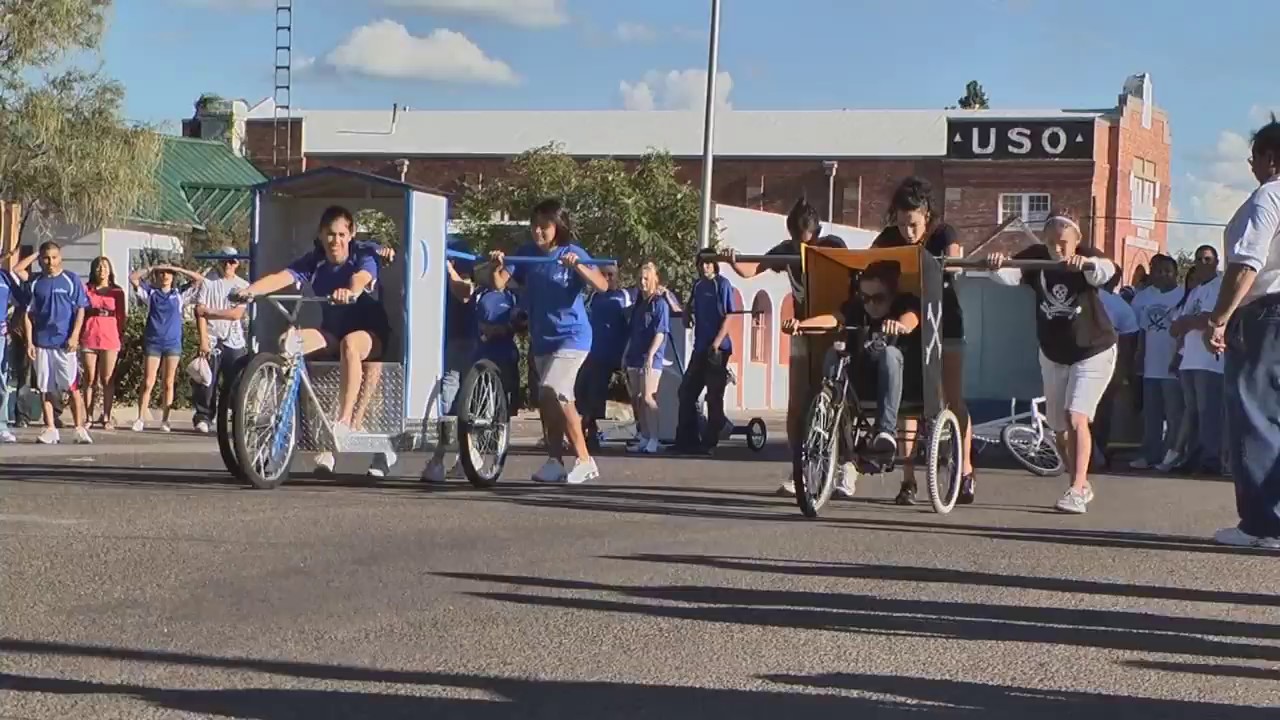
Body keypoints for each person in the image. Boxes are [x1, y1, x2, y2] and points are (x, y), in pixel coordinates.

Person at [233, 205, 396, 479]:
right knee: (290, 341)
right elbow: (281, 277)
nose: (336, 241)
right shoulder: (314, 261)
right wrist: (248, 291)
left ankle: (344, 422)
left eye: (342, 234)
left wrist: (351, 291)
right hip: (333, 329)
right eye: (330, 235)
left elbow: (362, 277)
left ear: (351, 233)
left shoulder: (362, 255)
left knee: (350, 345)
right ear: (321, 235)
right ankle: (271, 410)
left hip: (370, 332)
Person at [984, 210, 1117, 514]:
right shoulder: (1036, 257)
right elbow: (1011, 274)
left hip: (1092, 350)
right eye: (1052, 243)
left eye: (1064, 243)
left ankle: (1078, 487)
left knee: (1076, 417)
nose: (1058, 249)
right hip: (1054, 354)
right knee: (1058, 427)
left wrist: (1088, 265)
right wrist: (995, 265)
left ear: (1077, 240)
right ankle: (1079, 483)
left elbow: (1107, 270)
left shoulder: (1087, 255)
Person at [724, 198, 848, 496]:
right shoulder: (786, 250)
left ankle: (846, 466)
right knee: (798, 404)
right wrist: (732, 259)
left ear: (817, 232)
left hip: (833, 329)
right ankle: (800, 469)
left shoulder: (834, 245)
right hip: (803, 332)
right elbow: (752, 269)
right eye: (797, 243)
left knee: (837, 399)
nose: (802, 250)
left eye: (808, 242)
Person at [1199, 114, 1280, 549]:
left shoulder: (1270, 195)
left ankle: (1264, 525)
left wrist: (1220, 316)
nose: (1252, 167)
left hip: (1267, 313)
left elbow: (1248, 261)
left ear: (1270, 158)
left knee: (1256, 415)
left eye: (1254, 158)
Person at [872, 177, 976, 503]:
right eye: (902, 224)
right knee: (908, 402)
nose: (908, 232)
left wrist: (946, 263)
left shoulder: (944, 233)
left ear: (926, 216)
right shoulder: (889, 238)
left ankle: (965, 470)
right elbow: (868, 264)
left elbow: (953, 261)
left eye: (914, 224)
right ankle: (907, 479)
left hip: (945, 323)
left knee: (952, 397)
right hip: (907, 326)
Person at [491, 199, 608, 485]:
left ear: (558, 227)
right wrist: (498, 263)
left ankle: (584, 459)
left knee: (555, 389)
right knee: (546, 398)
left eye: (544, 227)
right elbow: (498, 282)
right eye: (534, 226)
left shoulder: (572, 252)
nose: (538, 232)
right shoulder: (527, 254)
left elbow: (602, 285)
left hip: (573, 336)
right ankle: (555, 460)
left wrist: (578, 266)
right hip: (543, 338)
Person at [784, 260, 922, 483]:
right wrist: (802, 325)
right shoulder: (856, 308)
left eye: (878, 298)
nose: (870, 305)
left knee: (890, 354)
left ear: (891, 295)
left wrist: (901, 326)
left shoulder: (904, 303)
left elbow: (912, 317)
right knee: (833, 352)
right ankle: (828, 411)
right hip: (859, 383)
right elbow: (834, 319)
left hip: (895, 384)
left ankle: (885, 432)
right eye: (865, 298)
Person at [421, 258, 523, 483]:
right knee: (452, 407)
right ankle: (439, 460)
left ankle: (471, 457)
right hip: (476, 357)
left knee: (488, 414)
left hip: (502, 359)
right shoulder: (478, 293)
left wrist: (499, 329)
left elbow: (521, 322)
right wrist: (448, 270)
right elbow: (464, 292)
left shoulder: (512, 296)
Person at [19, 241, 93, 445]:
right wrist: (30, 342)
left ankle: (79, 428)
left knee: (71, 387)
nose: (50, 261)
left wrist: (75, 335)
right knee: (45, 388)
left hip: (64, 344)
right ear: (41, 259)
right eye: (46, 257)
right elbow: (27, 314)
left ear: (60, 257)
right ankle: (50, 428)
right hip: (42, 343)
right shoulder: (35, 283)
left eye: (54, 257)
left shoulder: (70, 279)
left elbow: (80, 309)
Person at [674, 248, 736, 454]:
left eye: (709, 263)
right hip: (700, 348)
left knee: (713, 396)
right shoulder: (698, 286)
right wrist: (686, 314)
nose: (705, 267)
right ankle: (686, 440)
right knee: (686, 392)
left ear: (715, 264)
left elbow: (729, 315)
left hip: (717, 350)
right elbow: (689, 307)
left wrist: (717, 342)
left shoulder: (723, 284)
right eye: (702, 263)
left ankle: (709, 441)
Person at [129, 263, 204, 433]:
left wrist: (179, 269)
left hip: (172, 342)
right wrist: (152, 268)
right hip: (153, 341)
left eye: (169, 273)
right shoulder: (151, 293)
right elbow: (133, 278)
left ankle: (165, 420)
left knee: (168, 382)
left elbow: (199, 280)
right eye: (162, 273)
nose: (165, 276)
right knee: (148, 381)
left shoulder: (179, 294)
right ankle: (140, 417)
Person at [1170, 244, 1225, 476]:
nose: (1203, 263)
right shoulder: (1194, 291)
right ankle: (1192, 458)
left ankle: (1211, 460)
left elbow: (1207, 320)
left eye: (1208, 259)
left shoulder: (1217, 286)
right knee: (1192, 412)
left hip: (1209, 361)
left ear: (1216, 262)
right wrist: (1187, 322)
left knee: (1208, 412)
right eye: (1199, 259)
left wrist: (1187, 322)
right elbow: (1174, 327)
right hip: (1189, 360)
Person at [1129, 253, 1184, 470]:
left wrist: (1179, 358)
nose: (1163, 275)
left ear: (1175, 274)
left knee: (1174, 416)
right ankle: (1149, 455)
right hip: (1151, 367)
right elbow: (1140, 332)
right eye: (1159, 270)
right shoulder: (1143, 297)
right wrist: (1139, 359)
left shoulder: (1183, 295)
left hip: (1173, 367)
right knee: (1151, 416)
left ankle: (1169, 457)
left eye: (1168, 271)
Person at [190, 248, 249, 434]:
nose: (228, 265)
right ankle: (204, 416)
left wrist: (210, 312)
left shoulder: (243, 285)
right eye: (225, 261)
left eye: (232, 261)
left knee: (236, 381)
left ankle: (237, 416)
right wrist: (203, 340)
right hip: (213, 338)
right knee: (207, 381)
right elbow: (199, 313)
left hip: (234, 340)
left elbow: (236, 314)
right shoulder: (208, 283)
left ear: (237, 264)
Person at [576, 263, 632, 448]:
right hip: (596, 352)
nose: (607, 278)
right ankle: (589, 426)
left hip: (619, 352)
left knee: (633, 390)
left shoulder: (624, 297)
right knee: (584, 383)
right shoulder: (594, 297)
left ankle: (644, 431)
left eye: (611, 275)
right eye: (603, 274)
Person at [622, 262, 671, 454]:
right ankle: (644, 435)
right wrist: (625, 354)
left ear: (653, 280)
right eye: (640, 279)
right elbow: (633, 332)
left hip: (651, 357)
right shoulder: (638, 305)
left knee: (648, 397)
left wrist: (650, 355)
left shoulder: (659, 304)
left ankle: (654, 437)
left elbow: (661, 332)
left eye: (646, 279)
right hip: (634, 355)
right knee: (638, 398)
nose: (642, 282)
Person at [1093, 268, 1139, 467]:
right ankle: (1092, 452)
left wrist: (1121, 370)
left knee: (1101, 411)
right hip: (1085, 363)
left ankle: (1097, 452)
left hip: (1107, 366)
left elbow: (1129, 341)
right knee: (1092, 412)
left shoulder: (1119, 306)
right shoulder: (1086, 296)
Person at [80, 256, 127, 430]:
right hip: (90, 334)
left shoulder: (117, 292)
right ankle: (89, 416)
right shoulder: (86, 289)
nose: (102, 270)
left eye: (105, 267)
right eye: (98, 267)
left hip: (110, 335)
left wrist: (121, 335)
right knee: (89, 378)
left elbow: (121, 316)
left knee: (107, 378)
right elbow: (80, 312)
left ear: (110, 270)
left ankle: (106, 416)